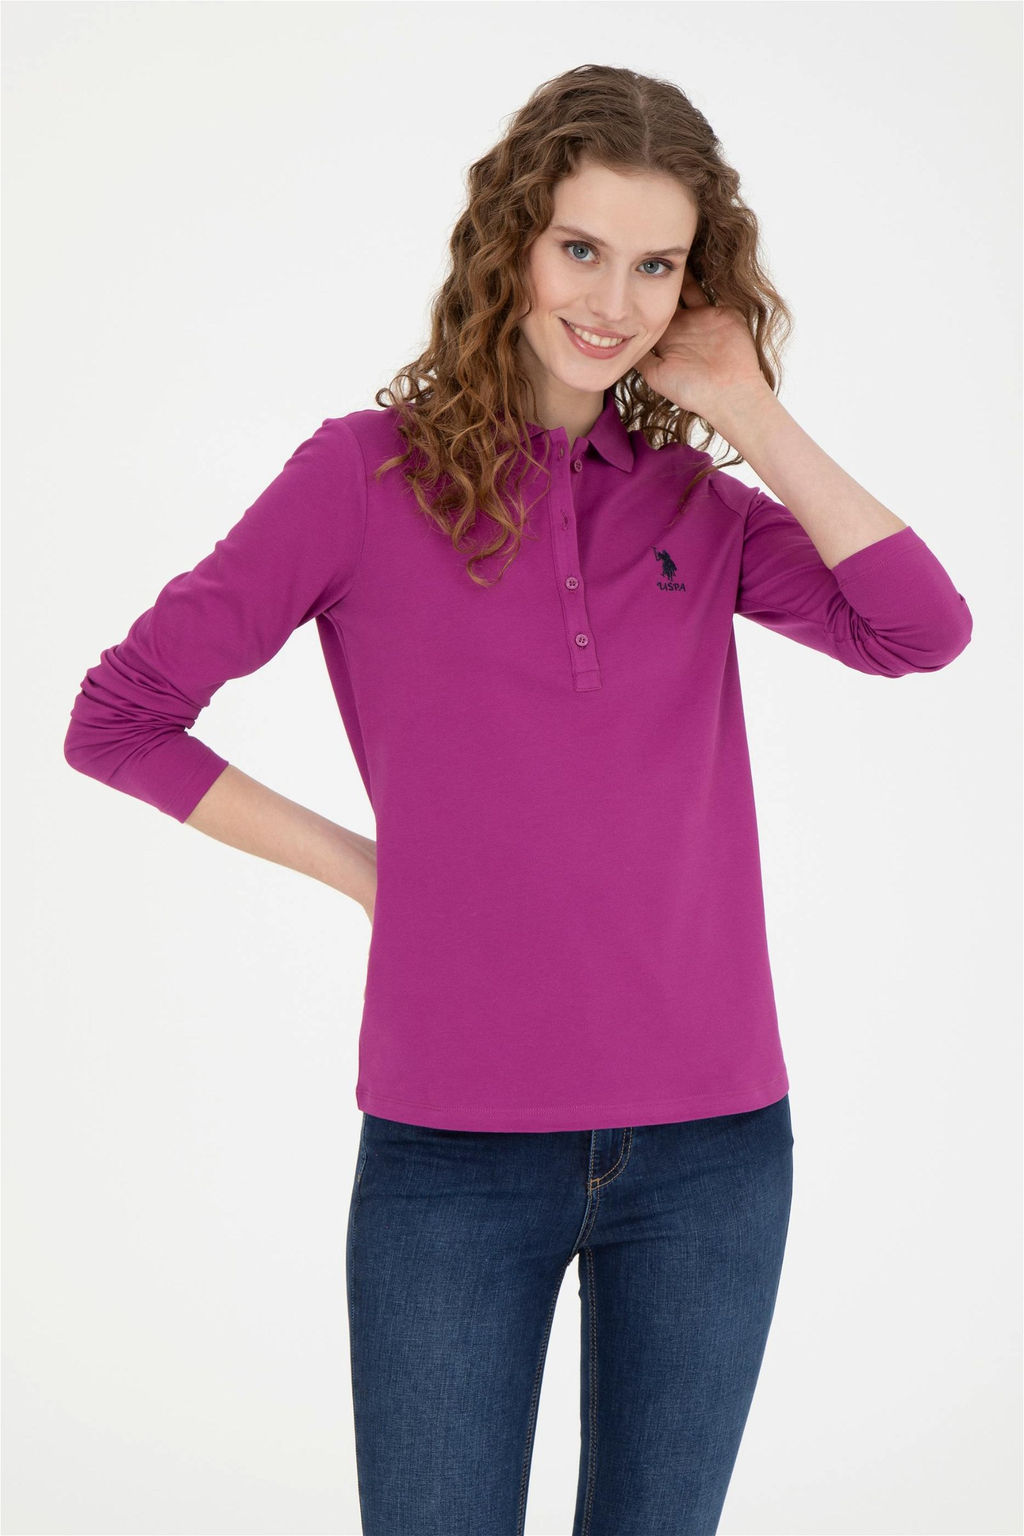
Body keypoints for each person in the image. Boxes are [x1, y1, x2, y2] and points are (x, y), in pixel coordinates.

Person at [63, 63, 973, 1536]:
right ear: (514, 243)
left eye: (656, 265)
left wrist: (746, 405)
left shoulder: (698, 507)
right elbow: (119, 719)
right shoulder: (359, 479)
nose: (613, 301)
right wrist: (369, 868)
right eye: (582, 248)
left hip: (715, 1146)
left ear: (698, 283)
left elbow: (919, 629)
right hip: (454, 1152)